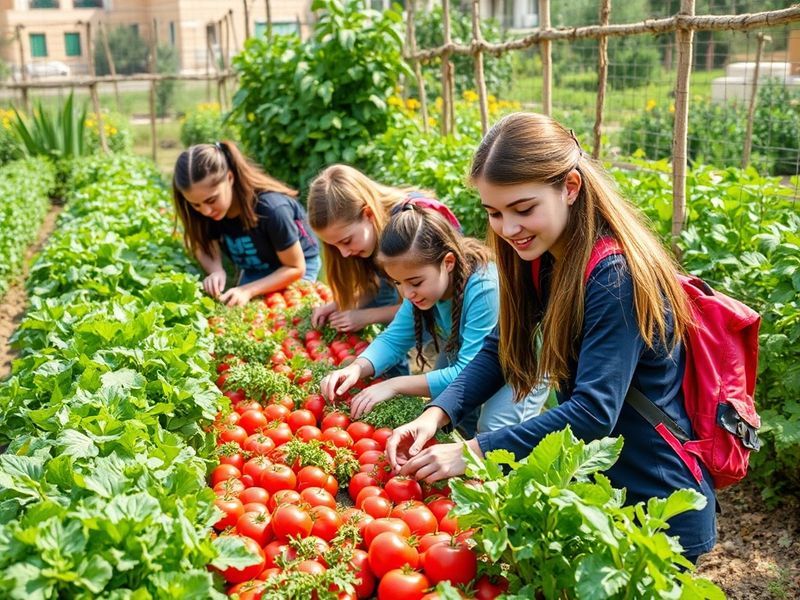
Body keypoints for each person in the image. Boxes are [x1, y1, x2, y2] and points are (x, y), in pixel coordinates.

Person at [385, 112, 717, 563]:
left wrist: (476, 450)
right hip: (604, 490)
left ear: (571, 188)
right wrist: (437, 415)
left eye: (523, 209)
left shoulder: (614, 276)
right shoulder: (544, 257)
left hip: (658, 501)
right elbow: (503, 350)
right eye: (494, 213)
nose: (507, 228)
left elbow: (593, 411)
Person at [319, 204, 545, 434]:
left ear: (447, 263)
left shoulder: (484, 287)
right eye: (398, 283)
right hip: (467, 350)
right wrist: (357, 368)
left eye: (415, 283)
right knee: (450, 409)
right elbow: (394, 338)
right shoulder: (421, 286)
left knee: (494, 428)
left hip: (521, 361)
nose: (407, 293)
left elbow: (467, 374)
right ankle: (464, 455)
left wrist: (395, 385)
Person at [307, 164, 459, 335]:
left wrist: (367, 316)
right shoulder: (369, 237)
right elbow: (377, 288)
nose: (343, 253)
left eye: (347, 241)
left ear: (368, 214)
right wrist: (340, 304)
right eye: (334, 246)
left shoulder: (410, 228)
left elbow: (420, 303)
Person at [172, 141, 320, 307]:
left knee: (284, 316)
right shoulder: (207, 209)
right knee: (243, 313)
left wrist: (248, 290)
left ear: (229, 178)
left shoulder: (272, 210)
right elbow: (203, 244)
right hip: (256, 269)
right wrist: (216, 271)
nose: (205, 211)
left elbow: (295, 268)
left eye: (211, 200)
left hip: (295, 268)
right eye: (196, 204)